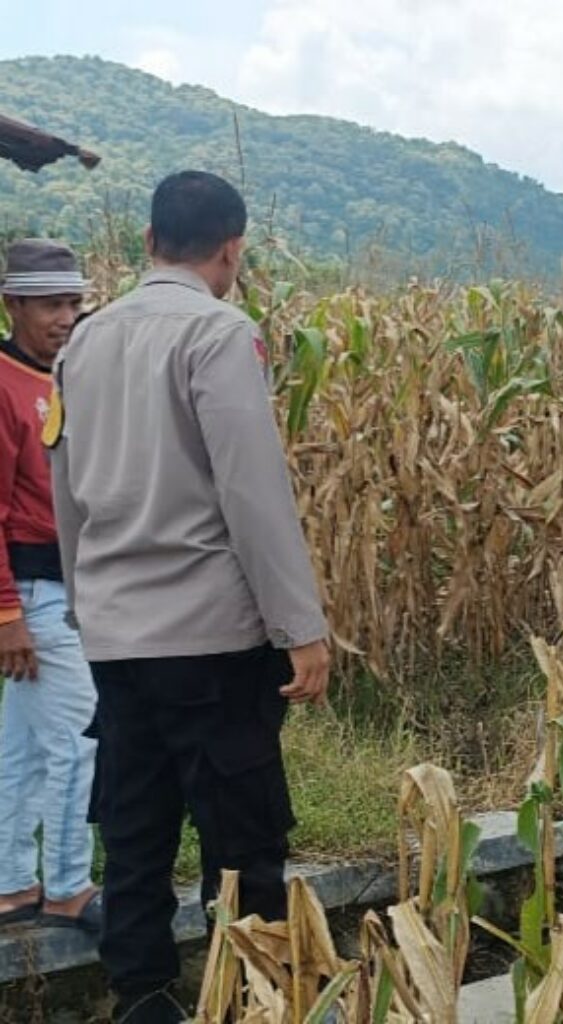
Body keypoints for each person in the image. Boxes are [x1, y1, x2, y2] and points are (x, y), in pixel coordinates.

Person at [49, 171, 331, 1024]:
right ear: (232, 249)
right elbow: (252, 495)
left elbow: (68, 498)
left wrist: (84, 605)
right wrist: (301, 628)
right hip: (211, 639)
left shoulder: (81, 344)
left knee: (133, 833)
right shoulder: (218, 334)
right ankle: (251, 994)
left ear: (147, 242)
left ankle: (142, 997)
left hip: (118, 642)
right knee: (242, 839)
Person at [0, 240, 100, 933]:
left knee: (25, 746)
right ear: (14, 306)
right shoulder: (4, 384)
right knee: (79, 737)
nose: (66, 317)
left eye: (73, 302)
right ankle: (67, 885)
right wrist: (6, 614)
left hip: (63, 588)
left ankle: (10, 884)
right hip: (32, 591)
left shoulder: (60, 374)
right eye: (49, 305)